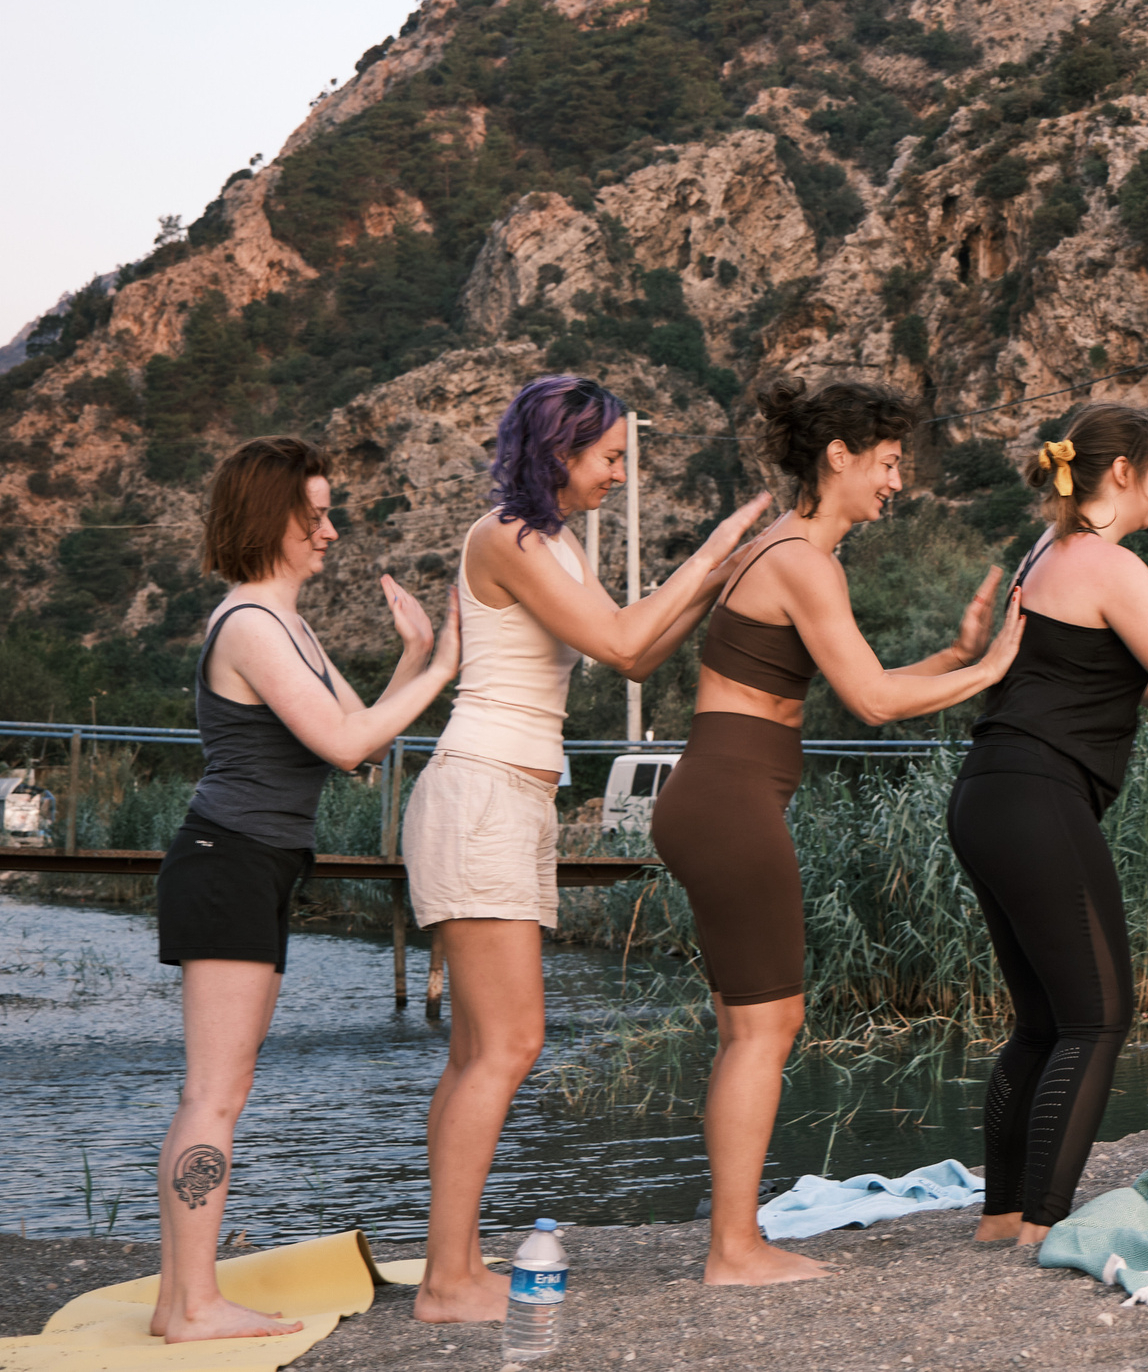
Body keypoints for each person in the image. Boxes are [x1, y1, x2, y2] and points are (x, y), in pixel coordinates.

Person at [407, 375, 770, 1323]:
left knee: (479, 1050)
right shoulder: (506, 537)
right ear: (560, 450)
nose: (618, 473)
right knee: (510, 1042)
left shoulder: (556, 545)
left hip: (511, 795)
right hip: (481, 790)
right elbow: (618, 643)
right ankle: (447, 1280)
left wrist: (721, 579)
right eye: (609, 456)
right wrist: (718, 547)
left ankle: (452, 1263)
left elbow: (640, 651)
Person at [652, 376, 1025, 1286]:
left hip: (720, 792)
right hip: (730, 797)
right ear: (839, 457)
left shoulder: (786, 552)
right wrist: (997, 669)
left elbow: (864, 678)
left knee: (757, 1020)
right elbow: (870, 699)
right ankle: (734, 1248)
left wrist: (953, 657)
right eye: (890, 462)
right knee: (765, 1025)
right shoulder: (802, 559)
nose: (897, 482)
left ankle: (734, 1237)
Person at [151, 437, 459, 1342]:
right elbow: (349, 746)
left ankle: (180, 1300)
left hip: (257, 863)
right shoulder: (248, 622)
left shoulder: (287, 624)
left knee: (217, 1090)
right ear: (271, 521)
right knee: (213, 1094)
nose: (329, 531)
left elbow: (357, 730)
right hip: (229, 861)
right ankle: (195, 1304)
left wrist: (414, 654)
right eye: (314, 514)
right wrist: (443, 671)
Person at [946, 402, 1148, 1247]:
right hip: (1039, 796)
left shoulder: (1045, 553)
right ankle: (1043, 1223)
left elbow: (1142, 678)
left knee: (1043, 1021)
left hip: (989, 793)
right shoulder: (1107, 563)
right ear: (1120, 472)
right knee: (1099, 1015)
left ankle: (1003, 1212)